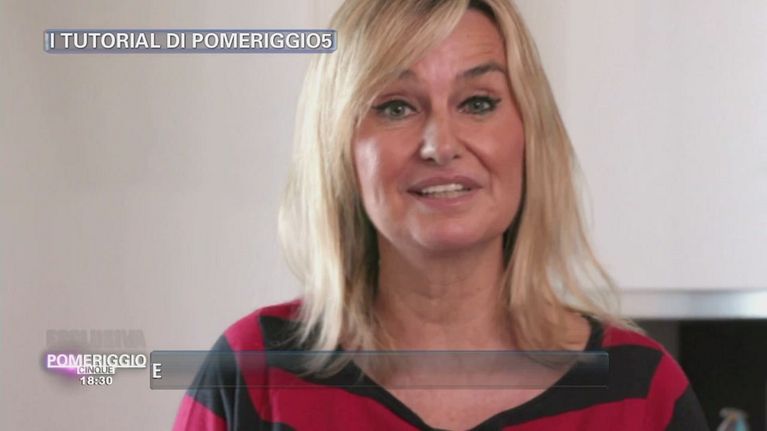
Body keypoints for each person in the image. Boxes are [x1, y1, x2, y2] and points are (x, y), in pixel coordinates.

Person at [173, 0, 709, 429]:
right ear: (340, 151)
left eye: (478, 102)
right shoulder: (250, 376)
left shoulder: (644, 393)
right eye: (396, 107)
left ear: (529, 134)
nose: (441, 145)